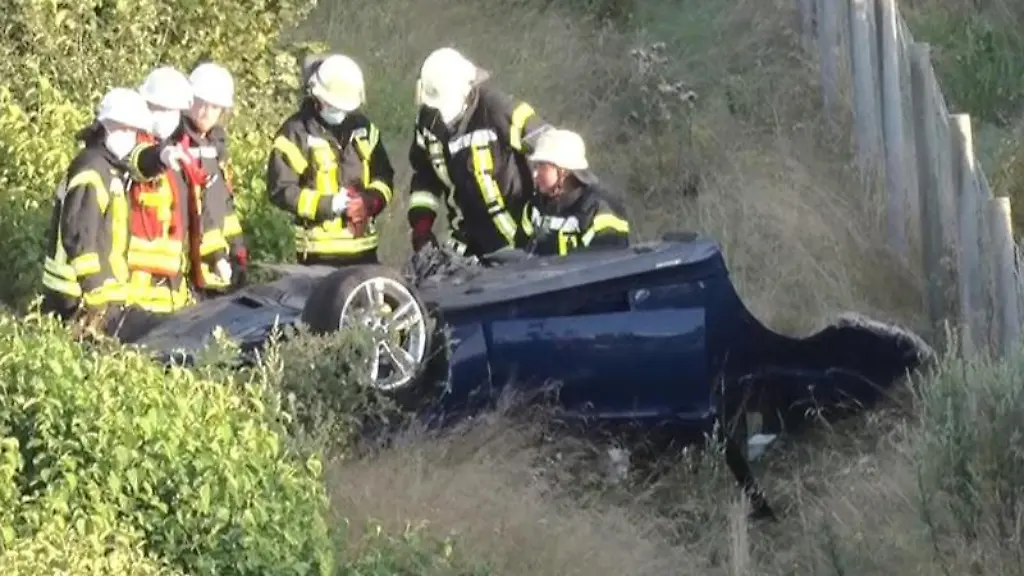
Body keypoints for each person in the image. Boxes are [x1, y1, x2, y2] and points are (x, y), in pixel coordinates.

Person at [40, 87, 190, 339]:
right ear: (108, 128)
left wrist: (161, 156)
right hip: (75, 292)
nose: (130, 138)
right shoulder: (91, 170)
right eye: (126, 130)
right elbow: (80, 237)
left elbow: (140, 163)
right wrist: (96, 291)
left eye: (133, 132)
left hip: (94, 290)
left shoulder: (109, 167)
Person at [406, 47, 553, 259]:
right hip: (466, 244)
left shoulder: (499, 110)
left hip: (518, 243)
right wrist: (421, 228)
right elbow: (424, 177)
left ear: (466, 91)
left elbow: (551, 149)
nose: (440, 115)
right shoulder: (427, 123)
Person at [266, 53, 395, 266]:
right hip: (318, 257)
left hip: (364, 254)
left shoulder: (364, 129)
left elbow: (384, 176)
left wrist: (370, 201)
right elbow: (280, 189)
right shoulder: (296, 134)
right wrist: (328, 205)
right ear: (318, 99)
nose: (340, 113)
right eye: (334, 106)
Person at [129, 65, 196, 314]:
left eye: (172, 111)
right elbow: (139, 161)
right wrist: (161, 156)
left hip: (170, 285)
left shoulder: (177, 153)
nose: (166, 116)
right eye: (159, 109)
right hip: (136, 285)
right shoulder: (133, 145)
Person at [184, 62, 246, 294]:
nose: (206, 112)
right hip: (193, 265)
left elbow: (222, 205)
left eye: (214, 107)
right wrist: (217, 255)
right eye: (201, 103)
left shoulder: (215, 147)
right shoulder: (181, 145)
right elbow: (198, 210)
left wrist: (237, 248)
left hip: (215, 261)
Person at [519, 128, 630, 256]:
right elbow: (520, 256)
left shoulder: (601, 211)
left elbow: (605, 266)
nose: (535, 174)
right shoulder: (534, 208)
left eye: (542, 166)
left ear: (563, 171)